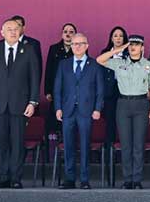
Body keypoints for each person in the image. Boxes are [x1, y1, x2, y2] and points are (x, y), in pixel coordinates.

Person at [0, 18, 41, 189]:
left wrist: (33, 102)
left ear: (20, 31)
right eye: (9, 29)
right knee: (2, 142)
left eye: (16, 29)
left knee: (17, 142)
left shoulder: (28, 50)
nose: (13, 32)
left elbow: (35, 77)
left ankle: (16, 177)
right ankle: (3, 177)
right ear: (2, 32)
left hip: (21, 104)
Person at [97, 34, 150, 189]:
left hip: (141, 104)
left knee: (138, 144)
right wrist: (118, 49)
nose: (133, 47)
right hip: (123, 104)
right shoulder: (120, 63)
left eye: (136, 44)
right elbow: (100, 60)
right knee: (125, 144)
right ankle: (127, 179)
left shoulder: (149, 65)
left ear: (142, 47)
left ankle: (137, 179)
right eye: (131, 44)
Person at [53, 33, 105, 189]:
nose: (77, 46)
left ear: (87, 46)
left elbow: (100, 89)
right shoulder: (64, 64)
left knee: (85, 145)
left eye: (80, 43)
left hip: (86, 111)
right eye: (74, 44)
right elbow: (57, 88)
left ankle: (84, 179)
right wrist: (58, 108)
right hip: (68, 110)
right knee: (68, 145)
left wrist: (97, 108)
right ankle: (69, 179)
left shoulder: (94, 64)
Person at [98, 27, 128, 150]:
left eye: (121, 36)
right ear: (111, 38)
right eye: (115, 36)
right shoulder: (105, 53)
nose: (118, 38)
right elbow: (100, 75)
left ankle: (123, 152)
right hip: (109, 92)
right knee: (110, 123)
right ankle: (109, 153)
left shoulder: (129, 53)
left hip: (125, 92)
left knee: (124, 123)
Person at [45, 23, 77, 135]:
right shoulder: (54, 49)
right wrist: (47, 91)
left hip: (73, 91)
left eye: (71, 32)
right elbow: (49, 70)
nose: (68, 34)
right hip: (57, 89)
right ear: (62, 34)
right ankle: (56, 140)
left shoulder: (79, 49)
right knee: (55, 118)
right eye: (65, 32)